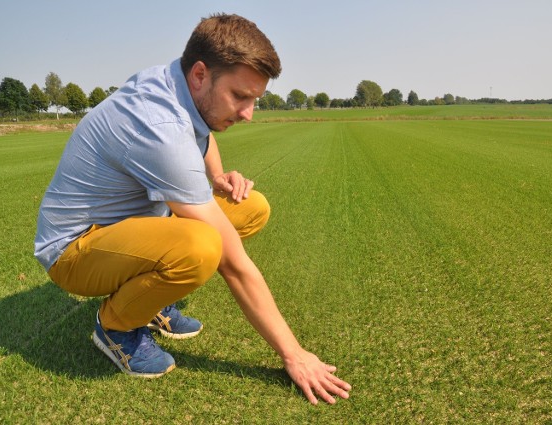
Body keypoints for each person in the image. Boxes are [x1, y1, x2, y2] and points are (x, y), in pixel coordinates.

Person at [34, 13, 351, 405]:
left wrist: (216, 176)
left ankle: (150, 298)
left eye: (255, 99)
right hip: (74, 250)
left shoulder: (178, 84)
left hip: (128, 228)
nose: (249, 113)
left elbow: (201, 130)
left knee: (250, 207)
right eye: (240, 96)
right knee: (203, 245)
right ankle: (115, 326)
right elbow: (234, 265)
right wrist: (294, 355)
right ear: (201, 74)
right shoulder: (158, 123)